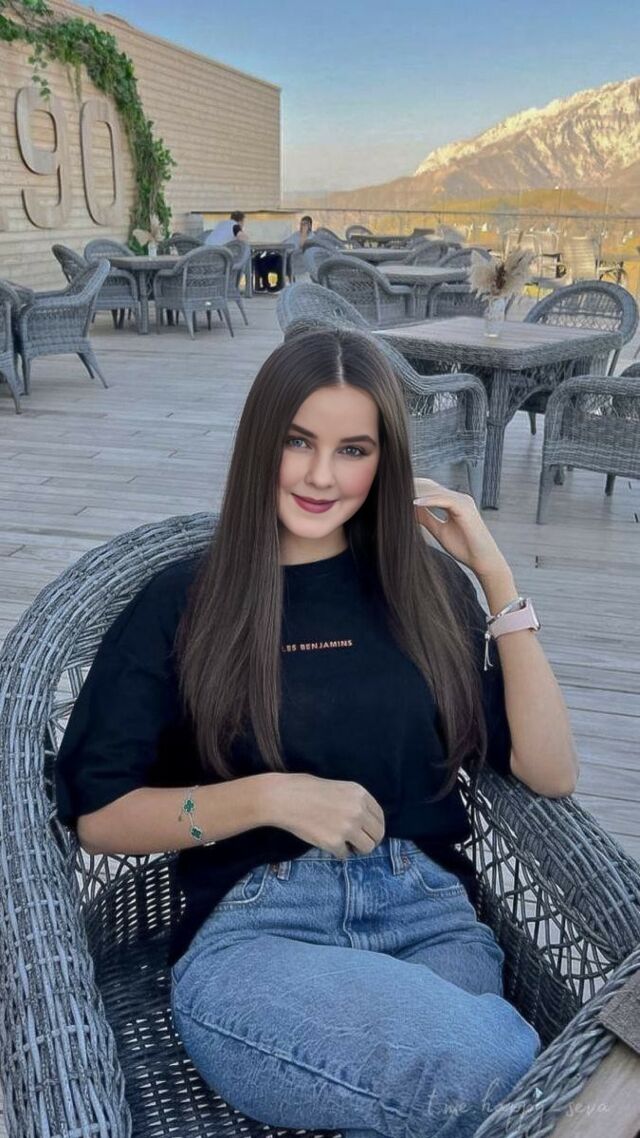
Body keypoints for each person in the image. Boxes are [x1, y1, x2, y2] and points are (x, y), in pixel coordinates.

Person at [55, 328, 579, 1137]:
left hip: (430, 921)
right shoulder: (184, 601)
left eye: (353, 449)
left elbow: (549, 771)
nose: (320, 476)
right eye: (298, 441)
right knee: (497, 1071)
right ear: (260, 442)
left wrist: (496, 578)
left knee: (452, 1096)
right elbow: (100, 815)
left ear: (384, 462)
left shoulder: (428, 591)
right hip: (259, 935)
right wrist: (269, 798)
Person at [255, 215, 313, 291]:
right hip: (281, 253)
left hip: (292, 259)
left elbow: (302, 246)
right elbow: (285, 242)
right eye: (301, 224)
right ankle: (264, 284)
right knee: (259, 260)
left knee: (280, 262)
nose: (302, 226)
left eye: (304, 224)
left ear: (309, 226)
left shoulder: (311, 237)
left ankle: (279, 285)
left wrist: (304, 234)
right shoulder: (296, 234)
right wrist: (275, 248)